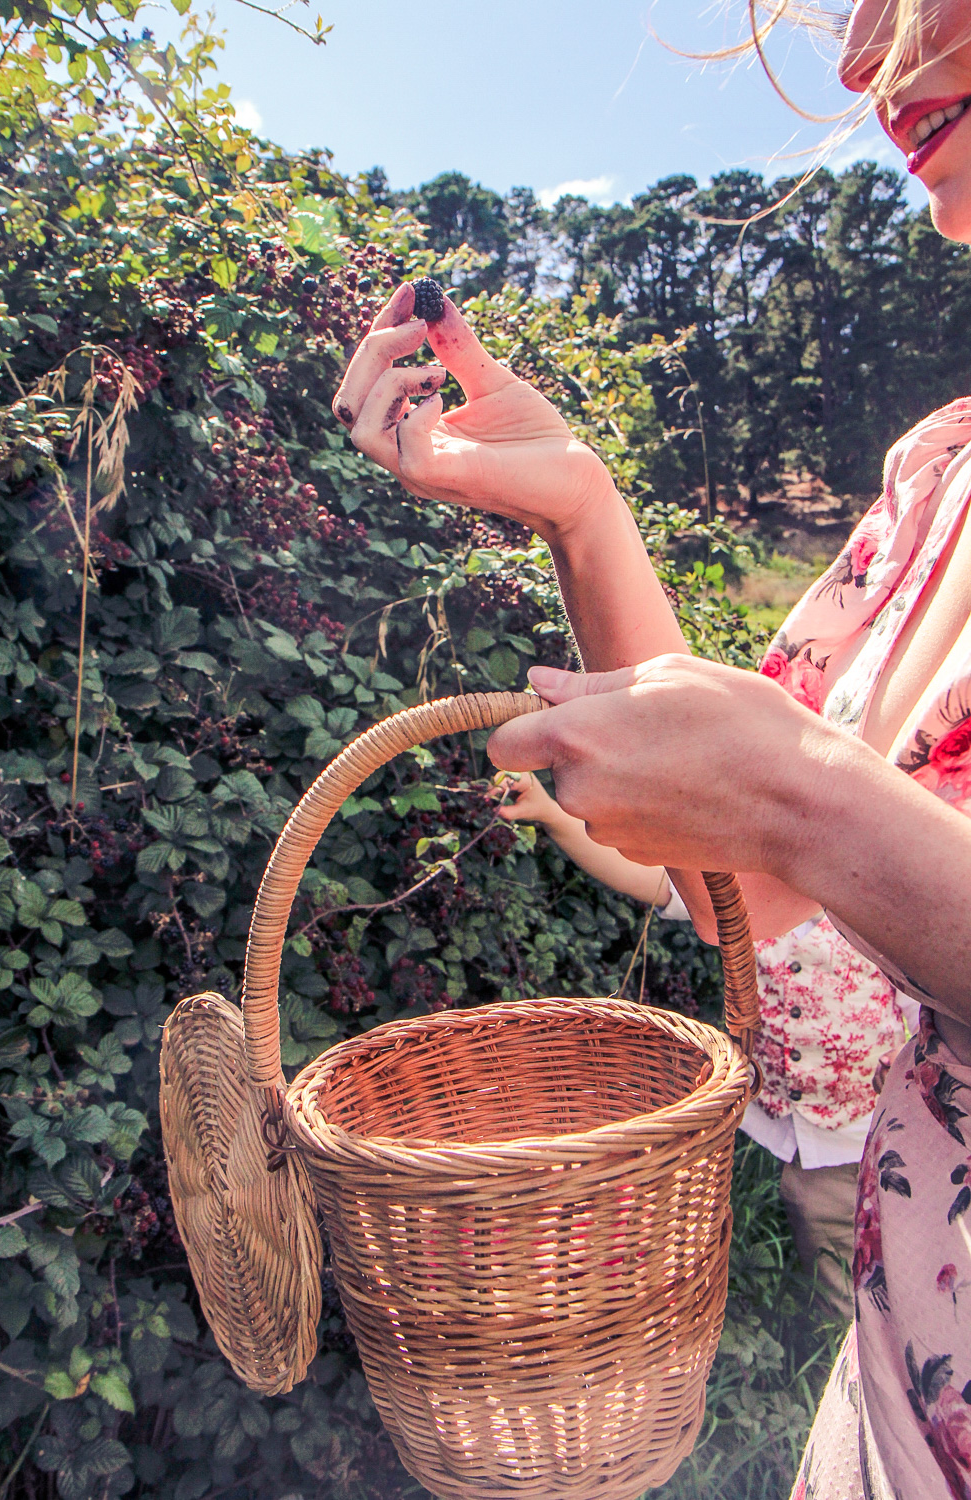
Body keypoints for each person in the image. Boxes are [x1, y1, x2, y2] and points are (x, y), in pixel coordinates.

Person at [332, 2, 971, 1493]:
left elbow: (801, 829)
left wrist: (811, 803)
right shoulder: (939, 476)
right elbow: (749, 893)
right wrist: (586, 512)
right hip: (898, 1394)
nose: (862, 54)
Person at [494, 769, 916, 1320]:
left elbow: (929, 1000)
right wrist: (553, 813)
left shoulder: (878, 903)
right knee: (822, 1232)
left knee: (880, 1233)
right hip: (796, 1114)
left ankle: (882, 1338)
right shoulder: (755, 893)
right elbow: (656, 882)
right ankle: (841, 1335)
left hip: (870, 1119)